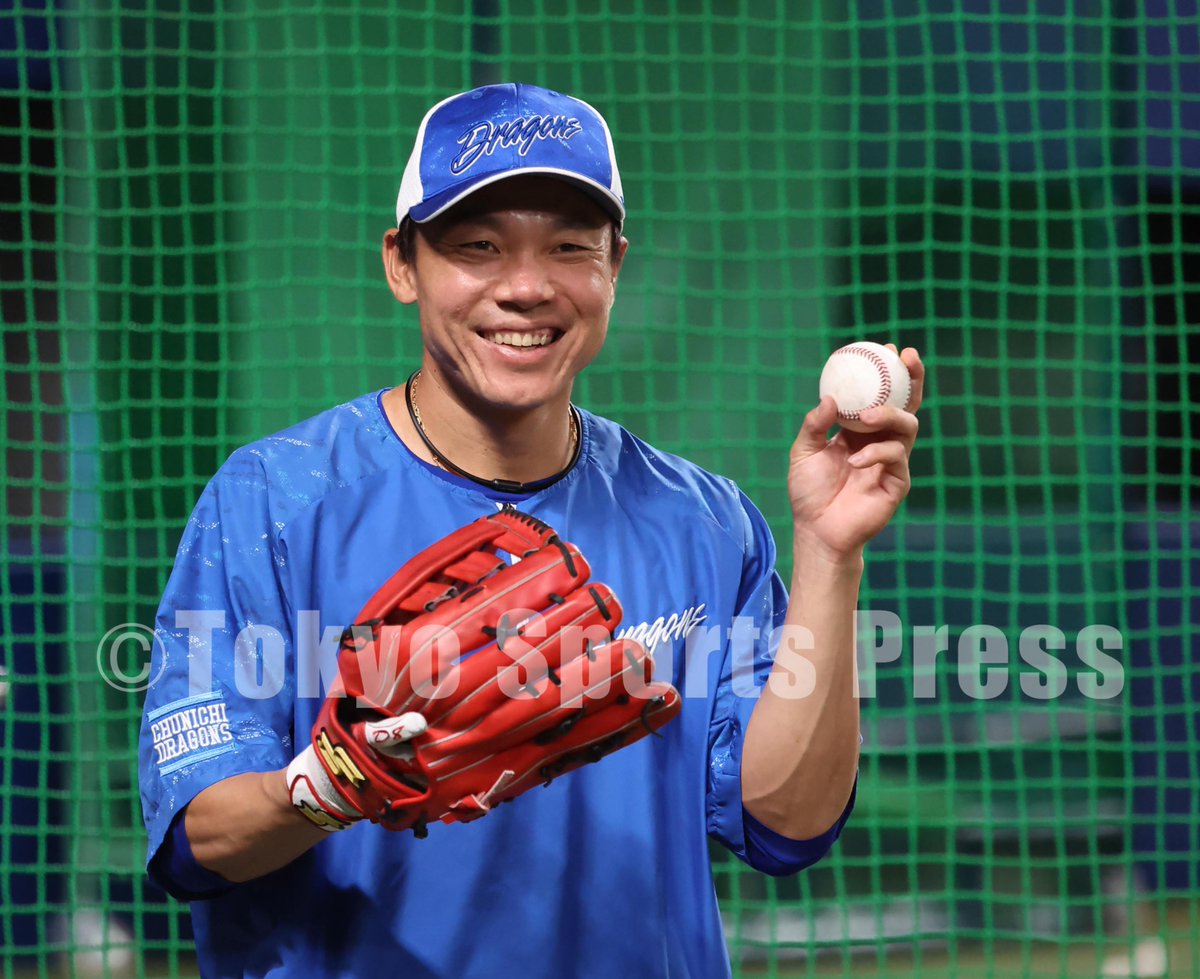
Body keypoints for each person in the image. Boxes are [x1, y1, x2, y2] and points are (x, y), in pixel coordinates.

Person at [138, 82, 924, 978]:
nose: (525, 286)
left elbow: (786, 822)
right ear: (403, 264)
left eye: (568, 248)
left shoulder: (704, 519)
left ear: (614, 266)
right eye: (478, 246)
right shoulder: (271, 502)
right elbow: (197, 835)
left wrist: (831, 551)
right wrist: (323, 787)